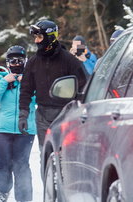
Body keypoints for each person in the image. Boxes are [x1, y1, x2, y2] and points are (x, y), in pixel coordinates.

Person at [18, 19, 87, 157]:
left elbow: (84, 87)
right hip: (42, 116)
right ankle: (48, 178)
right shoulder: (33, 62)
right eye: (35, 37)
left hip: (66, 116)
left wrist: (81, 112)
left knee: (65, 156)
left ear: (50, 37)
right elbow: (25, 90)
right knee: (46, 156)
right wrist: (23, 115)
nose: (36, 41)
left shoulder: (70, 61)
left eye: (40, 37)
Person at [0, 45, 37, 202]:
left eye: (20, 60)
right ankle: (2, 192)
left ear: (25, 61)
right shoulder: (1, 78)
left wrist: (27, 84)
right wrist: (4, 81)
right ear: (8, 63)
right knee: (3, 163)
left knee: (22, 164)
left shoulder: (31, 79)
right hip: (3, 129)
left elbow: (38, 99)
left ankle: (24, 198)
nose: (16, 64)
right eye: (12, 61)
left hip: (25, 129)